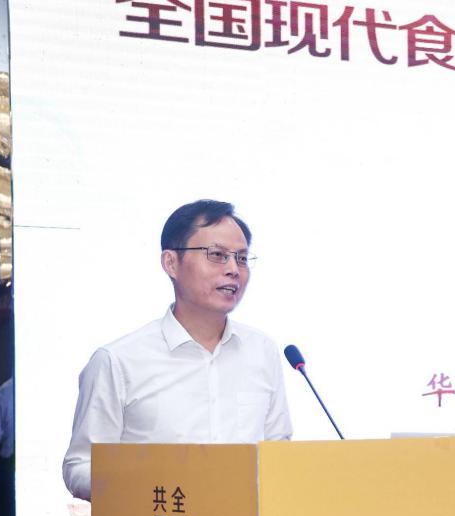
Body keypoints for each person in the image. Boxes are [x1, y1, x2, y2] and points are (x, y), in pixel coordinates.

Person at [62, 199, 292, 500]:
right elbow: (80, 466)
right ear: (171, 263)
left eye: (242, 258)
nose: (233, 270)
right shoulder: (117, 361)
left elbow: (279, 450)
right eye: (217, 255)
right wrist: (148, 485)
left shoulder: (262, 351)